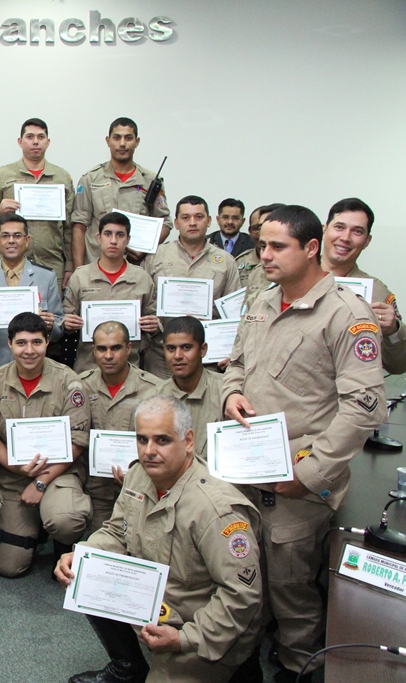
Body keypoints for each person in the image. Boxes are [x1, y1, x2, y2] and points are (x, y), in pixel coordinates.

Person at [222, 204, 386, 681]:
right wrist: (232, 394)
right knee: (245, 574)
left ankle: (298, 668)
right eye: (262, 245)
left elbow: (364, 408)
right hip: (248, 471)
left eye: (278, 246)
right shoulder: (262, 301)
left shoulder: (345, 314)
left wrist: (309, 474)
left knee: (293, 589)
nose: (265, 255)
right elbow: (235, 364)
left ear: (311, 248)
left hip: (299, 479)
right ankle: (248, 657)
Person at [56, 396, 263, 683]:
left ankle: (240, 670)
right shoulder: (139, 475)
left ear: (188, 441)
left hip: (201, 626)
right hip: (156, 596)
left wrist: (184, 639)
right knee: (88, 573)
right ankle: (128, 666)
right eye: (142, 440)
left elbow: (242, 596)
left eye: (162, 440)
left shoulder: (216, 510)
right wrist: (81, 554)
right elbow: (118, 531)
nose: (149, 451)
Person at [0, 312, 92, 577]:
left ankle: (60, 540)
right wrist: (17, 469)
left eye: (36, 342)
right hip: (12, 477)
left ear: (47, 343)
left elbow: (77, 442)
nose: (29, 351)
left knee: (65, 520)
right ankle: (34, 526)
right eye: (21, 343)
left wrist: (41, 481)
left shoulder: (69, 382)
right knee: (8, 567)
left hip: (58, 473)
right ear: (9, 344)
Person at [141, 195, 241, 378]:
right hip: (161, 355)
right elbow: (143, 300)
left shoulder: (225, 261)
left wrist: (230, 349)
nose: (193, 223)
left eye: (199, 217)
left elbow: (235, 315)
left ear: (209, 221)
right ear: (177, 223)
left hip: (208, 357)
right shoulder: (156, 256)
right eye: (186, 218)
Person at [77, 321, 160, 531]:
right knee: (101, 546)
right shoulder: (80, 386)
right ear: (93, 351)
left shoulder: (154, 389)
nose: (108, 355)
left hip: (141, 487)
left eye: (115, 348)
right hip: (97, 490)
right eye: (102, 349)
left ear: (129, 349)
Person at [0, 118, 76, 290]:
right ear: (20, 141)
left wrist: (70, 265)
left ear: (48, 142)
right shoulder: (3, 175)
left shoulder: (61, 178)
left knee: (50, 315)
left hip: (52, 262)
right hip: (10, 263)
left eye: (41, 137)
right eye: (30, 137)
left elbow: (69, 228)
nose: (35, 142)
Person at [0, 213, 64, 385]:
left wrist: (51, 325)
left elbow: (59, 327)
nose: (11, 240)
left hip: (36, 368)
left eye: (17, 235)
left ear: (27, 240)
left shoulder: (46, 276)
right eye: (5, 236)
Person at [63, 212, 158, 373]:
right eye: (108, 234)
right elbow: (65, 318)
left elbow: (155, 319)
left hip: (130, 370)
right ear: (99, 238)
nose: (113, 241)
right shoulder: (80, 276)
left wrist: (155, 325)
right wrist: (67, 324)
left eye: (120, 235)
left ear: (128, 240)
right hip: (88, 369)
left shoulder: (142, 277)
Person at [320, 197, 406, 374]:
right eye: (339, 227)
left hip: (347, 393)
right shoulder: (292, 279)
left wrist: (394, 331)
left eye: (357, 232)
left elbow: (399, 366)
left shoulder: (377, 292)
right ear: (324, 230)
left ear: (367, 241)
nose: (345, 238)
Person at [71, 117, 172, 267]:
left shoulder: (150, 181)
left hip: (136, 270)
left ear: (137, 142)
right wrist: (78, 271)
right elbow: (79, 226)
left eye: (128, 138)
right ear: (108, 140)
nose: (122, 144)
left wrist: (145, 250)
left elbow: (165, 223)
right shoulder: (91, 179)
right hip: (95, 268)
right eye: (117, 138)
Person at [153, 317, 223, 459]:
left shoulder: (226, 391)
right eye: (171, 349)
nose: (178, 356)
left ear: (203, 350)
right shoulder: (154, 397)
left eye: (186, 348)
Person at [235, 205, 267, 288]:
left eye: (264, 227)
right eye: (256, 228)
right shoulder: (240, 262)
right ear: (249, 231)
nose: (260, 233)